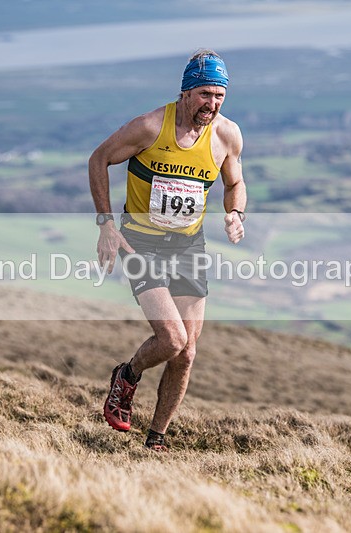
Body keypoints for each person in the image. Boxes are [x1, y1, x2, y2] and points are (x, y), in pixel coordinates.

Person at [89, 49, 247, 451]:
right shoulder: (149, 126)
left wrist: (235, 213)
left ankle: (156, 438)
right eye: (204, 94)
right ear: (185, 92)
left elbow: (234, 183)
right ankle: (127, 374)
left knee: (187, 353)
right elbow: (99, 159)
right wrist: (106, 222)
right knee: (173, 339)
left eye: (219, 96)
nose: (211, 104)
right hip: (140, 242)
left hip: (188, 246)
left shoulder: (227, 135)